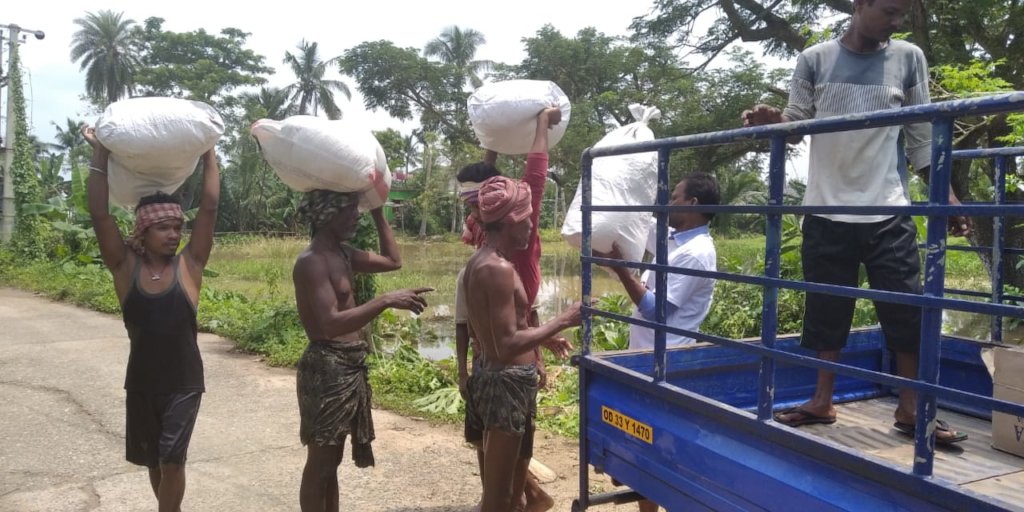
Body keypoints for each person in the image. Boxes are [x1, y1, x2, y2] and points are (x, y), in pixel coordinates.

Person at [741, 0, 971, 445]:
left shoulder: (908, 58)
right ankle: (821, 401)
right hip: (826, 208)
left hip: (888, 207)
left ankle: (911, 407)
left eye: (902, 14)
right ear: (861, 5)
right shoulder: (814, 59)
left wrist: (946, 193)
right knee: (827, 310)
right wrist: (772, 122)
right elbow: (796, 122)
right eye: (888, 11)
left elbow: (922, 135)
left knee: (906, 310)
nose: (896, 22)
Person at [83, 126, 218, 512]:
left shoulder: (190, 266)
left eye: (177, 227)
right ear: (143, 230)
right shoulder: (124, 267)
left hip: (183, 382)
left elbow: (208, 209)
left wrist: (208, 153)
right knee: (155, 461)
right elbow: (99, 213)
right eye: (164, 227)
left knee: (173, 459)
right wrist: (102, 154)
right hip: (142, 381)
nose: (174, 234)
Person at [292, 191, 432, 512]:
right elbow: (329, 324)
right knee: (322, 461)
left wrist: (379, 212)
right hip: (326, 369)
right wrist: (384, 301)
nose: (356, 215)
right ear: (327, 215)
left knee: (333, 460)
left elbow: (394, 262)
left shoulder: (343, 254)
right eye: (349, 210)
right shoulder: (311, 262)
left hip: (349, 365)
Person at [456, 107, 562, 512]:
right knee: (503, 472)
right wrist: (539, 126)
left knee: (500, 456)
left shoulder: (481, 238)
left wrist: (492, 149)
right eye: (528, 217)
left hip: (494, 361)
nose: (533, 224)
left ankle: (521, 498)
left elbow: (488, 190)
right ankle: (521, 499)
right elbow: (535, 171)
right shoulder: (503, 259)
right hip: (503, 365)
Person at [594, 173, 719, 512]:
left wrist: (623, 272)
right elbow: (635, 224)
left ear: (693, 204)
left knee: (660, 453)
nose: (668, 203)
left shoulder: (696, 253)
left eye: (675, 198)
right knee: (645, 452)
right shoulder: (674, 239)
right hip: (647, 359)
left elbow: (655, 310)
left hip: (667, 363)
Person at [463, 175, 580, 512]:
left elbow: (501, 328)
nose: (531, 226)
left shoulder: (484, 262)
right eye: (528, 218)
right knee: (498, 496)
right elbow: (504, 344)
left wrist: (545, 337)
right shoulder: (497, 269)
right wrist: (564, 319)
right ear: (512, 220)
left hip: (500, 380)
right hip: (504, 385)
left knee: (510, 486)